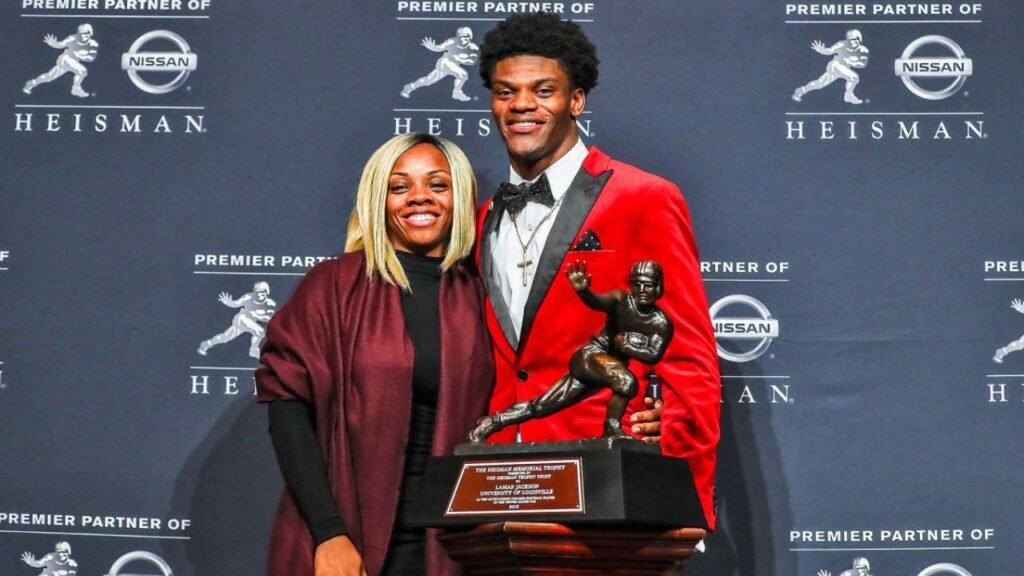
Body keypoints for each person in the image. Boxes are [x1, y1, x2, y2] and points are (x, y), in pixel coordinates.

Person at [475, 13, 721, 530]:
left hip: (610, 490)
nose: (522, 105)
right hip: (498, 494)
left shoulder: (643, 197)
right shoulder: (482, 217)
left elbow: (688, 359)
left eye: (543, 90)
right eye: (506, 91)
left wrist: (680, 504)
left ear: (576, 101)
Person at [256, 133, 494, 576]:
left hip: (457, 547)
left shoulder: (484, 291)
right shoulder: (332, 285)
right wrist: (329, 533)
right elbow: (288, 410)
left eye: (437, 185)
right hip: (348, 538)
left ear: (460, 196)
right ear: (377, 199)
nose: (419, 197)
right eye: (399, 186)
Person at [470, 260, 673, 442]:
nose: (642, 290)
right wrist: (584, 292)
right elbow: (599, 302)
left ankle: (493, 422)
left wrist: (627, 345)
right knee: (627, 382)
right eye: (637, 284)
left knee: (541, 407)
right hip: (590, 357)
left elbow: (653, 354)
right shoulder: (621, 300)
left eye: (648, 285)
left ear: (658, 288)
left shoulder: (661, 323)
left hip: (605, 371)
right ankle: (611, 428)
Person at [197, 282, 276, 358]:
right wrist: (229, 302)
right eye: (257, 292)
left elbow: (270, 318)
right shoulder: (249, 297)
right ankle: (253, 350)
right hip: (241, 319)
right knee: (260, 332)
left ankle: (207, 343)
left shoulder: (270, 304)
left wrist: (258, 316)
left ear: (267, 292)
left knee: (225, 337)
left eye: (262, 292)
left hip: (251, 322)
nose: (259, 295)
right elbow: (236, 303)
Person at [400, 27, 479, 102]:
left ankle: (410, 87)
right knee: (463, 74)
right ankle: (457, 92)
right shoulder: (452, 41)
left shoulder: (473, 48)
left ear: (470, 37)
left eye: (465, 37)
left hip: (454, 65)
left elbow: (472, 61)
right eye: (460, 37)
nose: (462, 39)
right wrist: (432, 47)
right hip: (444, 62)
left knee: (428, 80)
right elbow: (439, 48)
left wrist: (460, 59)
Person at [792, 29, 870, 105]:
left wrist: (850, 62)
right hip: (835, 65)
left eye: (855, 39)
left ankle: (801, 90)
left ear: (859, 39)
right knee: (854, 77)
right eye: (850, 39)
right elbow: (830, 51)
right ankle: (848, 95)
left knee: (819, 84)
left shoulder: (863, 51)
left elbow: (862, 64)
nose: (853, 42)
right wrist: (822, 50)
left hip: (844, 68)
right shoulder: (841, 44)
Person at [23, 24, 98, 98]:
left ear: (90, 33)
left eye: (86, 34)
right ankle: (76, 89)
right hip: (65, 59)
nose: (83, 36)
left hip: (73, 62)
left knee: (49, 77)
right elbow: (61, 44)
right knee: (82, 71)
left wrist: (79, 56)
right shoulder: (73, 38)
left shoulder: (93, 44)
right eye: (81, 34)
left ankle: (32, 83)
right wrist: (54, 44)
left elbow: (91, 58)